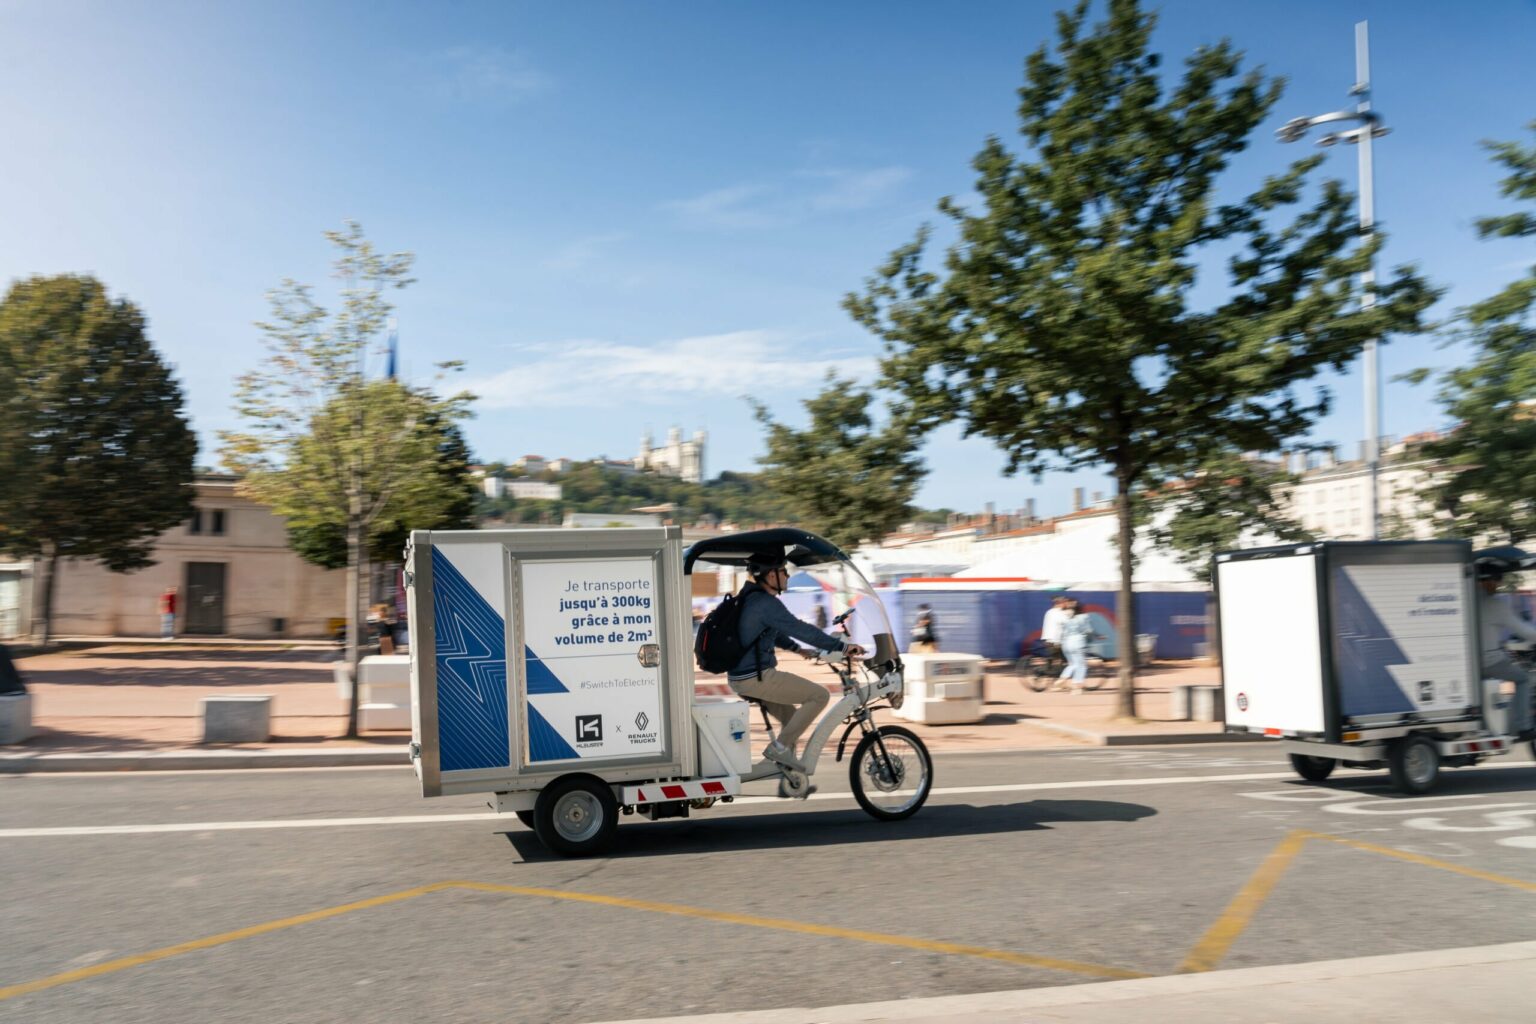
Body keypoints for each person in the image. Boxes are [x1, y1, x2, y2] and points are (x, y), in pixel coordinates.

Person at [729, 552, 864, 769]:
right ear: (771, 576)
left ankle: (787, 774)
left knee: (791, 717)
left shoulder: (750, 599)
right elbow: (801, 629)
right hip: (755, 676)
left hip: (741, 677)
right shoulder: (765, 603)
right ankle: (779, 749)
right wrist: (843, 646)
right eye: (784, 571)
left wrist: (798, 649)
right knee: (819, 696)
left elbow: (773, 631)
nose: (788, 576)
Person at [1476, 558, 1536, 740]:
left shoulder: (1468, 600)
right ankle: (1522, 726)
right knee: (1523, 679)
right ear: (1487, 581)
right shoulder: (1494, 604)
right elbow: (1523, 629)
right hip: (1489, 661)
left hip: (1472, 662)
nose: (1497, 586)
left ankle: (1488, 726)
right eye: (1496, 581)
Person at [1056, 599, 1094, 695]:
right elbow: (1088, 630)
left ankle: (1062, 678)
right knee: (1081, 665)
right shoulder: (1084, 617)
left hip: (1066, 643)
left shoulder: (1065, 618)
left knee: (1072, 664)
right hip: (1078, 642)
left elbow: (1062, 631)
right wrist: (1093, 637)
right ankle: (1076, 687)